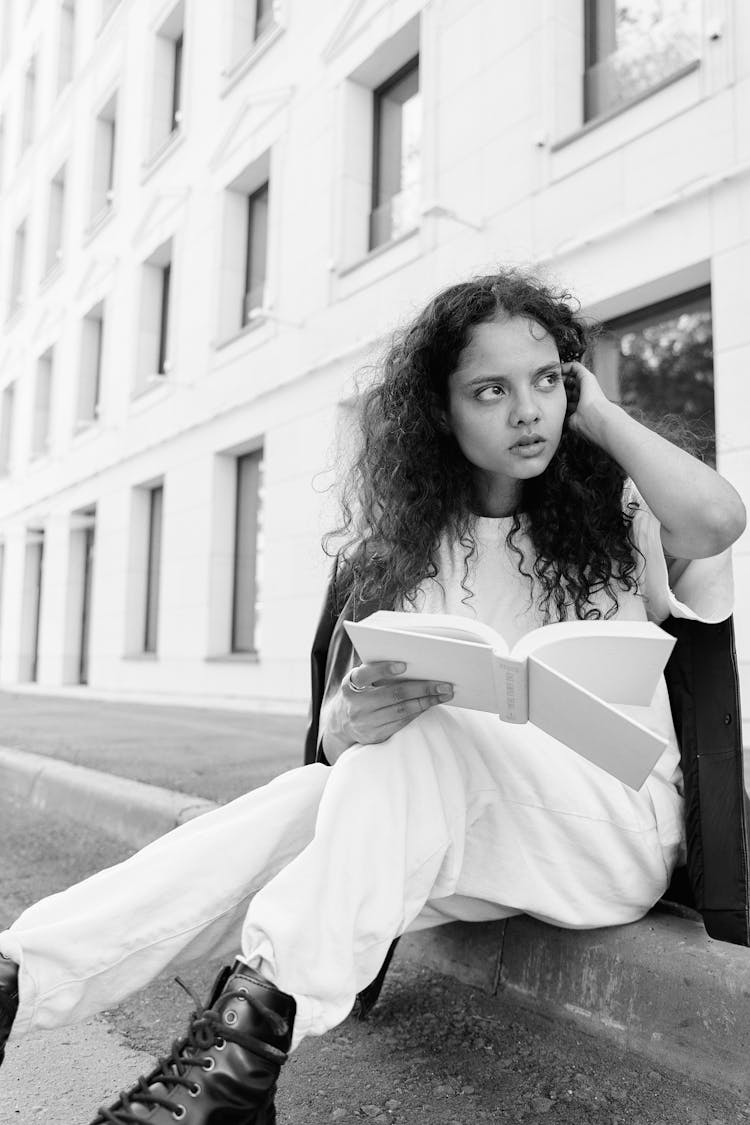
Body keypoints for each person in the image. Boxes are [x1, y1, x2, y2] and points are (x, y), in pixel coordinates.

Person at [0, 269, 744, 1124]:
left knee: (415, 752)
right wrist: (347, 722)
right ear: (442, 409)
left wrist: (602, 415)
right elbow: (344, 745)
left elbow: (721, 521)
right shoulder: (404, 556)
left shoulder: (625, 515)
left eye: (547, 381)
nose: (527, 411)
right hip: (475, 840)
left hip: (613, 834)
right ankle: (26, 977)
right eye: (491, 390)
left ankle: (234, 1064)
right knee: (317, 791)